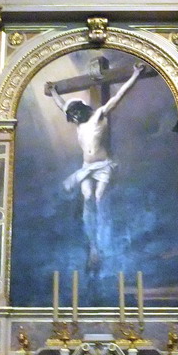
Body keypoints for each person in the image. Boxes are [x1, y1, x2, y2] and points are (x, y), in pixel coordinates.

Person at [45, 62, 144, 267]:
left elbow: (119, 96)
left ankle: (104, 242)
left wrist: (134, 75)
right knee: (88, 198)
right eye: (70, 116)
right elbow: (60, 103)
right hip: (86, 167)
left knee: (99, 198)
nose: (72, 117)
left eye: (74, 114)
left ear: (81, 110)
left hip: (103, 166)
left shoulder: (99, 115)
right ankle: (93, 248)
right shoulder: (78, 123)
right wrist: (54, 91)